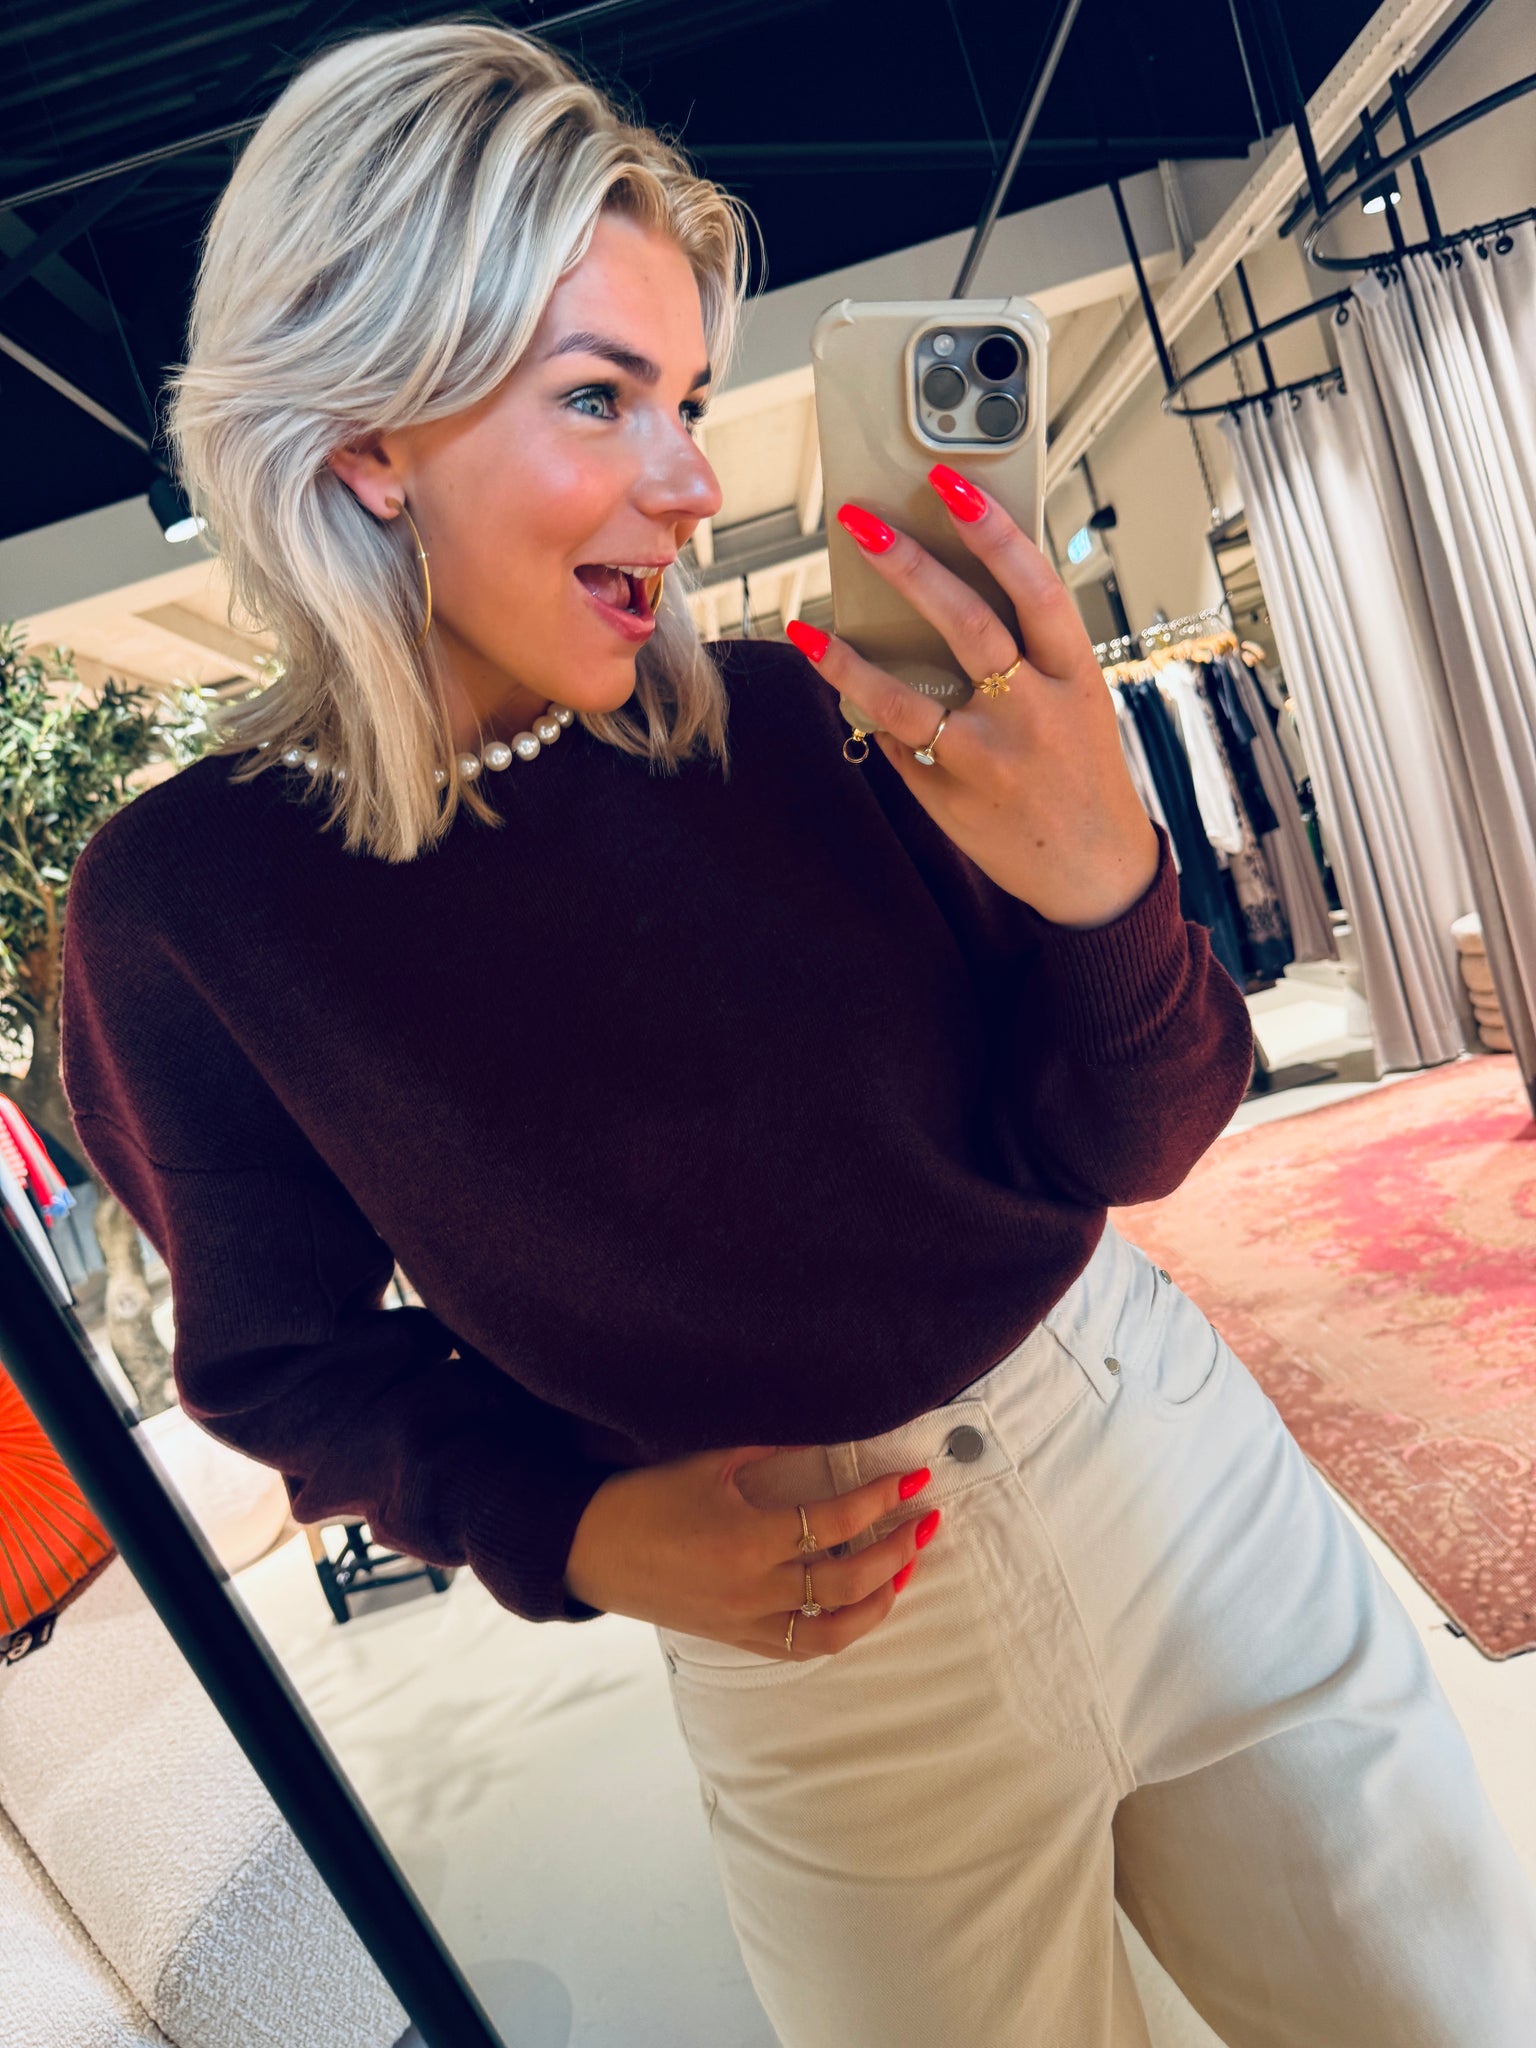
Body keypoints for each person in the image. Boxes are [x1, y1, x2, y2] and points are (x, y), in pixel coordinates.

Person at [57, 23, 1536, 2048]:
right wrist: (570, 1525)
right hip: (826, 1650)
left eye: (683, 398)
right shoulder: (188, 905)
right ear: (368, 428)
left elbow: (1142, 1137)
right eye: (601, 396)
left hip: (1169, 1472)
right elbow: (279, 1360)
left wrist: (1104, 873)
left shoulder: (791, 721)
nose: (687, 481)